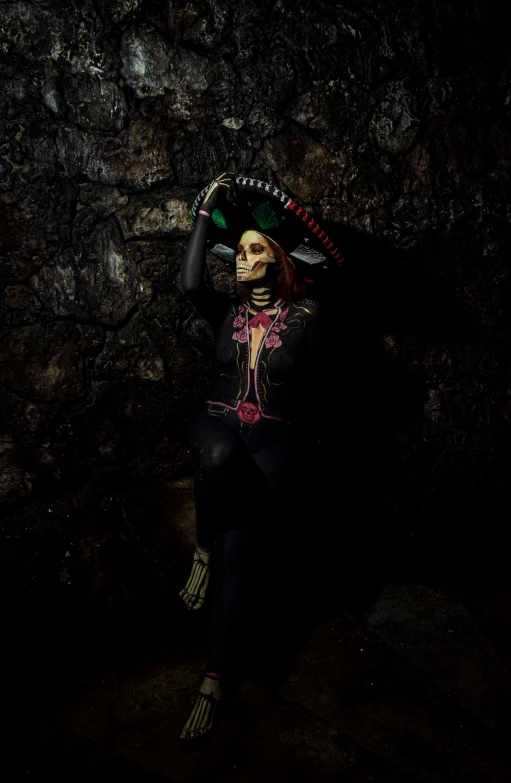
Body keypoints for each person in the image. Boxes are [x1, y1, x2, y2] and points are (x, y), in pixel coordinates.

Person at [177, 171, 343, 744]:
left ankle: (216, 677)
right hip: (219, 423)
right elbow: (189, 281)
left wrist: (308, 455)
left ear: (278, 261)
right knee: (219, 453)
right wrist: (205, 212)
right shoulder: (224, 310)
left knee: (241, 546)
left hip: (275, 439)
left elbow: (323, 394)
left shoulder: (308, 320)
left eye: (255, 250)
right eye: (241, 250)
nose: (244, 259)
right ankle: (202, 542)